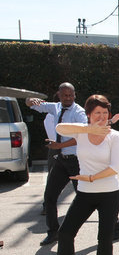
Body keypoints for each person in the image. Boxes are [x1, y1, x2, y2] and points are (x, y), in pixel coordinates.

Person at [46, 94, 119, 255]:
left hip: (109, 193)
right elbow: (59, 129)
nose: (101, 117)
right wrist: (88, 129)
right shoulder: (81, 133)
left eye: (105, 113)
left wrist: (90, 178)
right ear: (88, 115)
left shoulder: (114, 136)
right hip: (85, 194)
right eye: (97, 113)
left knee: (105, 236)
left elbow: (116, 167)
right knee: (65, 233)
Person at [26, 83, 89, 246]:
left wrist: (58, 146)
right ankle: (53, 232)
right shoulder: (56, 107)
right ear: (59, 95)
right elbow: (33, 105)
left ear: (75, 95)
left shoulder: (79, 113)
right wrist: (30, 100)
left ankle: (115, 225)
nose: (67, 98)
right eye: (64, 95)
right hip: (61, 161)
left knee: (87, 198)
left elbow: (82, 136)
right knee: (49, 197)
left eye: (70, 95)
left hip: (76, 162)